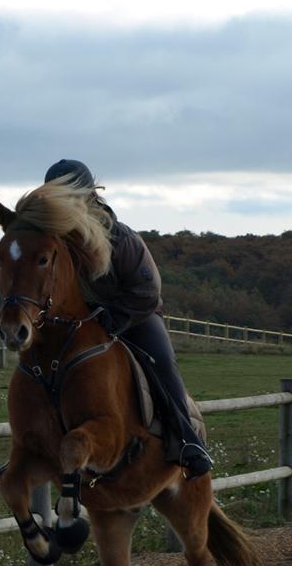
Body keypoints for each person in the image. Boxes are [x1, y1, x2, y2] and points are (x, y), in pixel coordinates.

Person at [43, 159, 213, 480]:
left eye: (68, 197)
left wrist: (112, 318)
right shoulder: (54, 240)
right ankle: (33, 447)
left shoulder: (121, 237)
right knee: (40, 367)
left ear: (88, 196)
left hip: (134, 314)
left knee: (161, 362)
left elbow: (147, 290)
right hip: (82, 323)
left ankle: (187, 442)